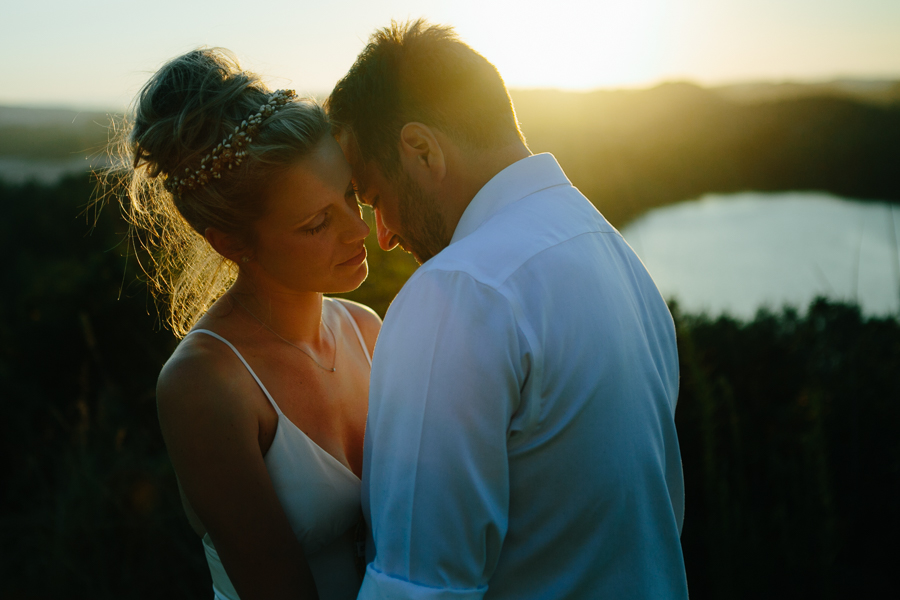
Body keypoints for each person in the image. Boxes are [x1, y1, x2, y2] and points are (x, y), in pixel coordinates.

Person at [326, 20, 689, 599]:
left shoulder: (460, 291)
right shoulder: (615, 255)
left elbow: (420, 586)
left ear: (422, 150)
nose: (385, 236)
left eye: (375, 200)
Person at [117, 48, 380, 600]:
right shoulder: (205, 384)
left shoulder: (367, 330)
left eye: (351, 195)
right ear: (231, 241)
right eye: (316, 224)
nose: (359, 230)